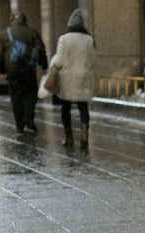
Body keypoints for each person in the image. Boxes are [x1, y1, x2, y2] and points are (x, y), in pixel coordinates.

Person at [49, 9, 96, 148]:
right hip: (84, 77)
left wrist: (53, 66)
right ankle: (84, 136)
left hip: (67, 79)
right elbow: (93, 60)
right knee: (83, 107)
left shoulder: (64, 39)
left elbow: (59, 61)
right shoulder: (89, 40)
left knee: (66, 108)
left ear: (70, 25)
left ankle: (69, 138)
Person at [0, 12, 48, 134]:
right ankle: (28, 118)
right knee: (30, 93)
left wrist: (2, 70)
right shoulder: (33, 32)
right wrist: (44, 66)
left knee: (16, 95)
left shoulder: (4, 34)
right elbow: (41, 50)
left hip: (12, 70)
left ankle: (19, 124)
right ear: (25, 20)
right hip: (29, 68)